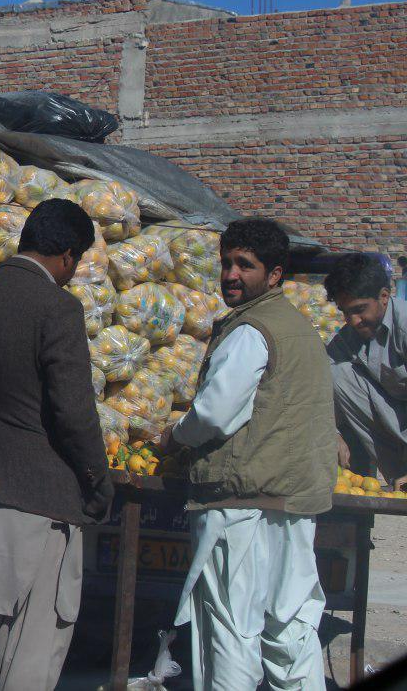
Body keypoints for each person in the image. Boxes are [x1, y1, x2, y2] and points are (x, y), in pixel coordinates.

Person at [0, 197, 113, 691]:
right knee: (32, 635)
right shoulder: (57, 307)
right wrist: (97, 482)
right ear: (68, 255)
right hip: (40, 487)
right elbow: (73, 412)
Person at [160, 218, 336, 690]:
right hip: (294, 503)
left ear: (274, 275)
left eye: (246, 265)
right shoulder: (301, 330)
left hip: (240, 506)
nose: (231, 274)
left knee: (232, 628)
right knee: (291, 628)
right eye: (227, 263)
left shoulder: (250, 331)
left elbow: (214, 415)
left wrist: (175, 436)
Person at [324, 253, 407, 488]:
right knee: (335, 374)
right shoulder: (346, 340)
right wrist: (333, 434)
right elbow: (320, 390)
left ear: (383, 296)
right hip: (397, 434)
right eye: (345, 312)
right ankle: (399, 477)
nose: (353, 320)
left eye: (360, 309)